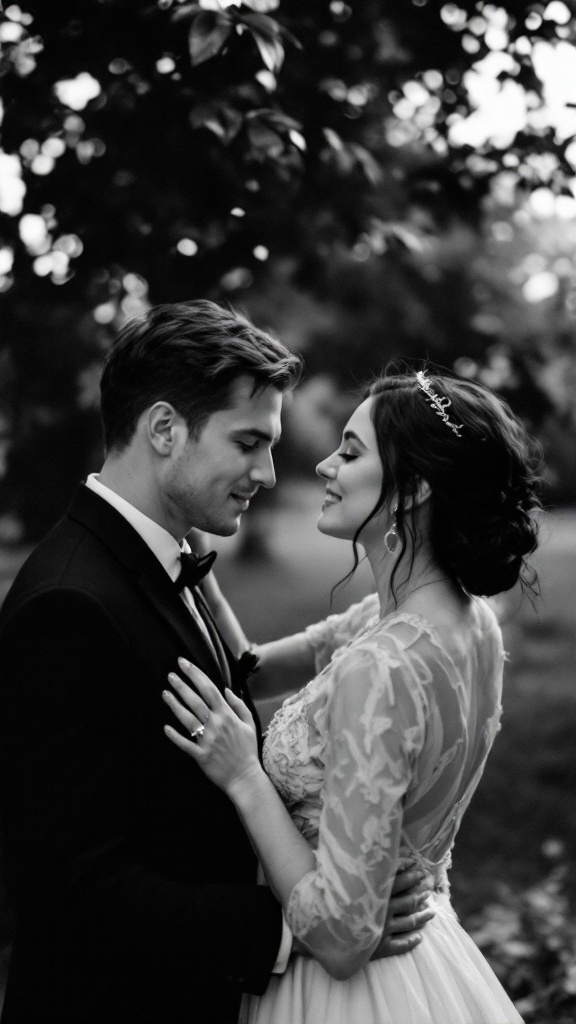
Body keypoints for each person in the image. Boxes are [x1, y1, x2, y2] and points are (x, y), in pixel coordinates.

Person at [0, 302, 431, 1024]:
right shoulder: (69, 605)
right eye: (248, 443)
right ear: (166, 429)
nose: (267, 472)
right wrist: (295, 924)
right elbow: (65, 887)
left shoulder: (167, 558)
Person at [163, 367, 541, 1024]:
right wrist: (198, 569)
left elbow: (341, 938)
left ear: (415, 486)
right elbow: (250, 665)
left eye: (351, 452)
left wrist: (246, 777)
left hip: (348, 993)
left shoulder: (383, 665)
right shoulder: (461, 617)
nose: (324, 465)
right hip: (427, 959)